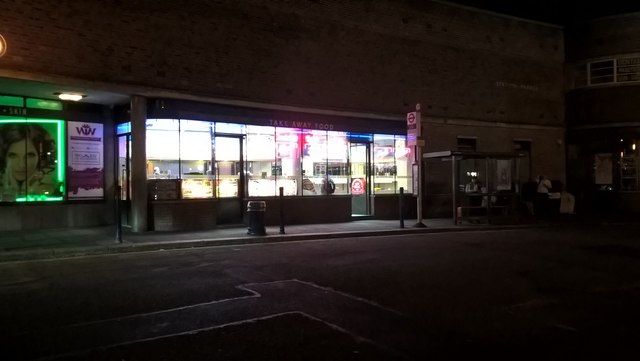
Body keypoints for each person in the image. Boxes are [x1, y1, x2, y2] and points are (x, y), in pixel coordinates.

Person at [0, 123, 58, 201]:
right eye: (13, 155)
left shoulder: (52, 192)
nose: (21, 165)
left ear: (41, 157)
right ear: (3, 157)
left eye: (29, 155)